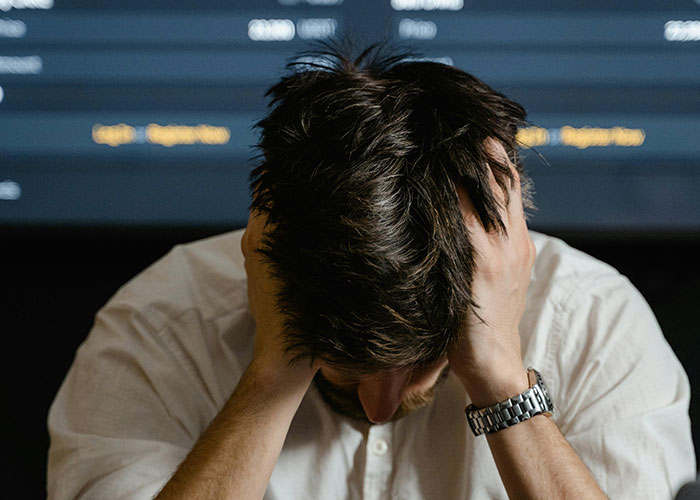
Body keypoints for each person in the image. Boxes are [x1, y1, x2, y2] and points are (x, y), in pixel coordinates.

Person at [48, 45, 696, 499]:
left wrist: (498, 379)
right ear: (263, 255)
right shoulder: (161, 323)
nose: (378, 404)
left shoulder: (595, 321)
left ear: (509, 261)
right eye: (345, 361)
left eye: (426, 358)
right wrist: (276, 371)